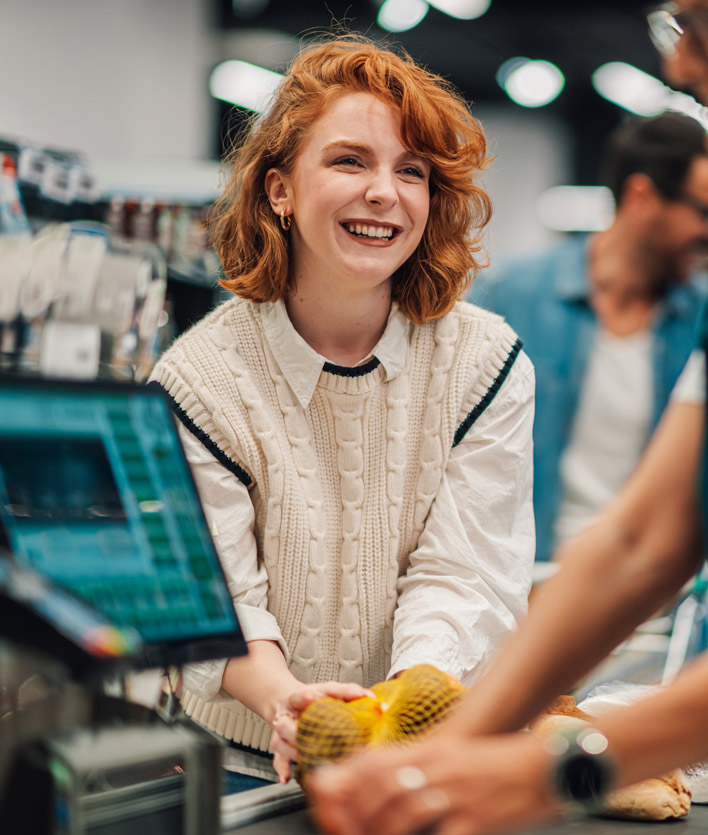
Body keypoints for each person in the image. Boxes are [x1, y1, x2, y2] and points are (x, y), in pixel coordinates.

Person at [302, 2, 708, 833]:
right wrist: (442, 757)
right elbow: (641, 542)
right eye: (675, 27)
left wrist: (562, 766)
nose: (686, 66)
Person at [149, 34, 535, 793]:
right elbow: (216, 600)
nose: (385, 192)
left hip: (416, 758)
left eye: (412, 171)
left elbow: (465, 572)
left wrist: (400, 706)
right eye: (349, 160)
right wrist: (283, 699)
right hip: (237, 765)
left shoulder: (484, 363)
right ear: (278, 189)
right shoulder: (196, 382)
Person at [470, 111, 708, 568]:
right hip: (521, 579)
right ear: (641, 197)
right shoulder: (510, 297)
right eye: (707, 213)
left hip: (641, 591)